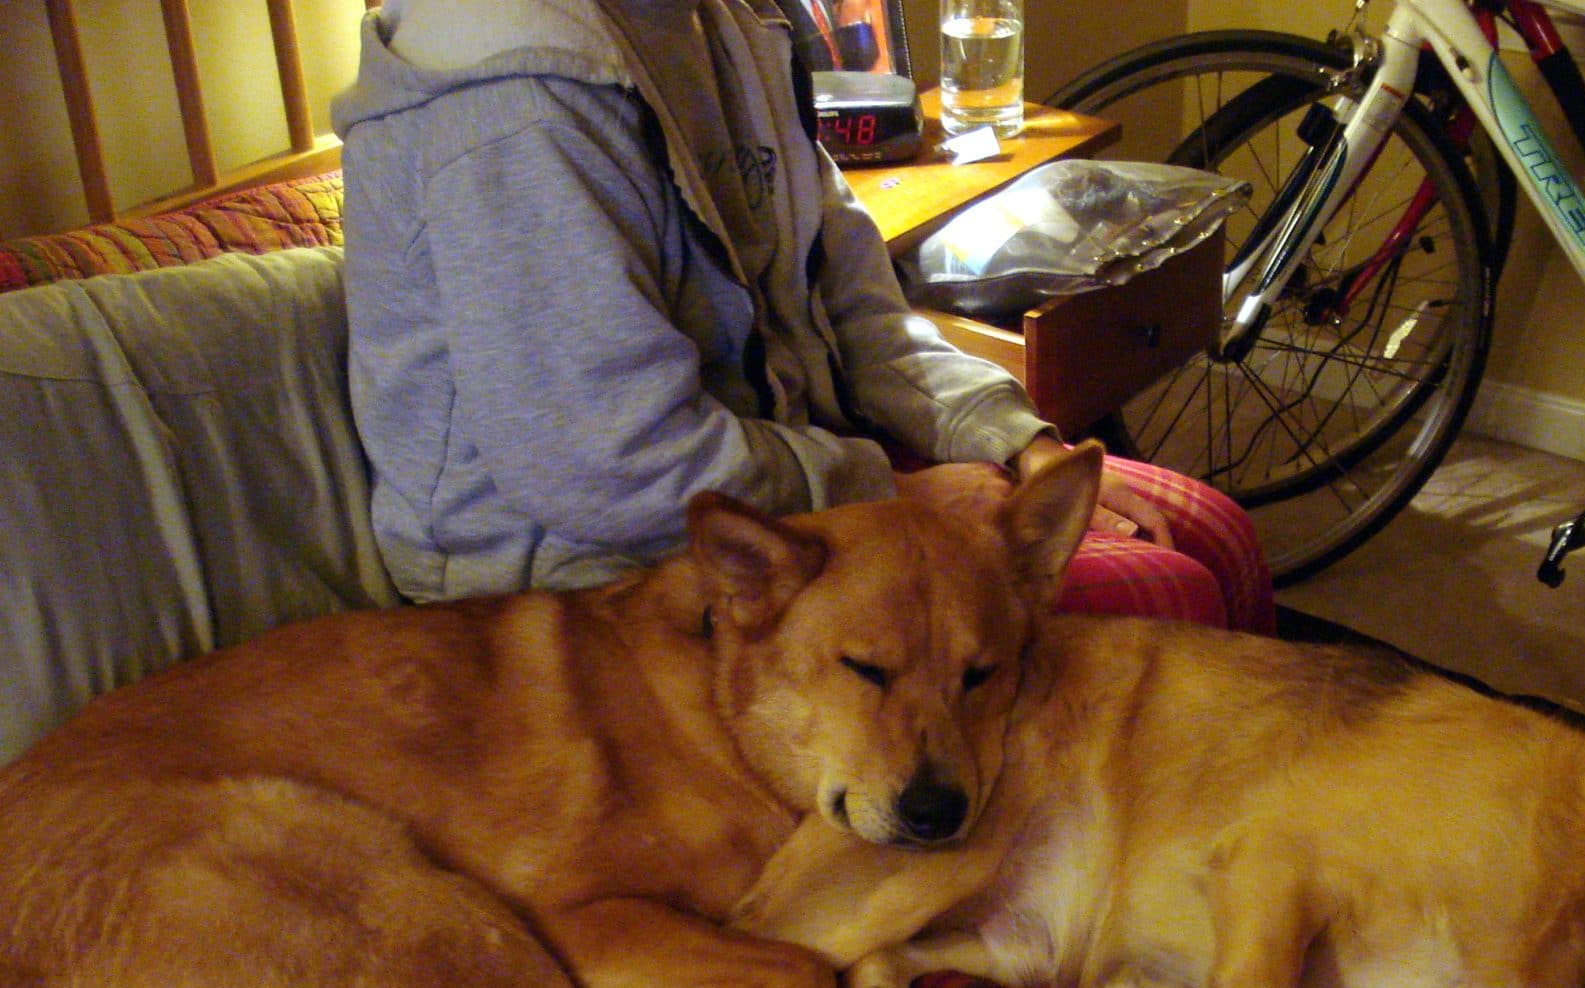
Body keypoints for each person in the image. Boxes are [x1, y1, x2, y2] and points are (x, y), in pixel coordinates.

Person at [332, 0, 1272, 634]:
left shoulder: (726, 21)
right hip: (581, 575)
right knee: (1167, 595)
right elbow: (603, 462)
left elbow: (856, 303)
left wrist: (1016, 442)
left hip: (783, 486)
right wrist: (894, 497)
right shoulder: (515, 98)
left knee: (1215, 532)